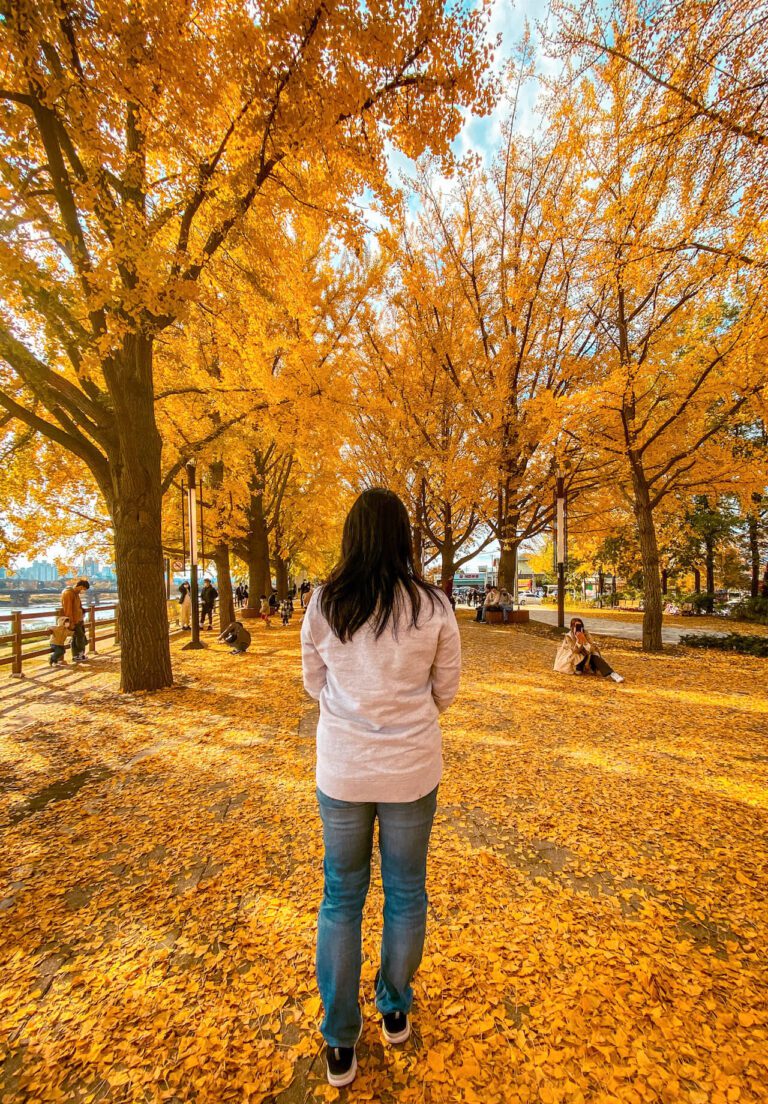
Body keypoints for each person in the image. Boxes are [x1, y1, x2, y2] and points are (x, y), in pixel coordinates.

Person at [301, 487, 461, 1089]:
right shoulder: (433, 607)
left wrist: (353, 704)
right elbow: (447, 688)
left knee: (341, 896)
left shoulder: (324, 604)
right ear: (403, 539)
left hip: (343, 769)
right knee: (406, 893)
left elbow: (313, 684)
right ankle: (394, 1006)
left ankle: (340, 1039)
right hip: (411, 769)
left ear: (351, 537)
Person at [554, 617, 624, 683]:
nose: (579, 628)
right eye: (576, 626)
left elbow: (592, 649)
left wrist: (584, 640)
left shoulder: (586, 633)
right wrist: (578, 641)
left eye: (580, 626)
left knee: (595, 657)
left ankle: (612, 674)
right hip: (576, 658)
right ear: (572, 627)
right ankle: (579, 668)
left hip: (588, 656)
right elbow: (575, 651)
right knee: (579, 654)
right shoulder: (569, 636)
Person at [61, 578, 90, 662]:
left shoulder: (75, 594)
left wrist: (82, 610)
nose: (83, 591)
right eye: (84, 589)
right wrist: (70, 622)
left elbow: (77, 607)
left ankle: (78, 655)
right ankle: (78, 655)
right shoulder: (68, 593)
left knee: (79, 637)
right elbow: (68, 609)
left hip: (79, 619)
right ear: (80, 586)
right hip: (74, 620)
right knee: (79, 637)